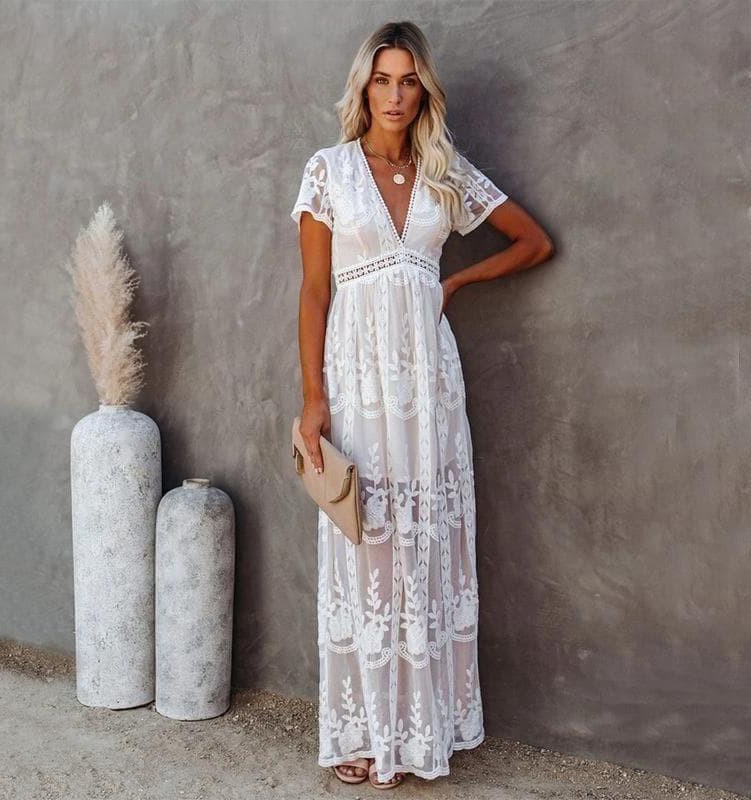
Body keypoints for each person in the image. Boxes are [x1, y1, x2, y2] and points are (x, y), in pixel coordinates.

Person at [290, 20, 554, 789]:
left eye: (408, 81)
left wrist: (456, 281)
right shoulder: (329, 171)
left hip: (428, 388)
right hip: (357, 382)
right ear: (364, 88)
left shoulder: (444, 172)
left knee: (424, 546)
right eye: (383, 80)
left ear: (423, 91)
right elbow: (314, 292)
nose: (395, 95)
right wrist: (313, 400)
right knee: (367, 542)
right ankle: (366, 732)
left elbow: (534, 242)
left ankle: (417, 733)